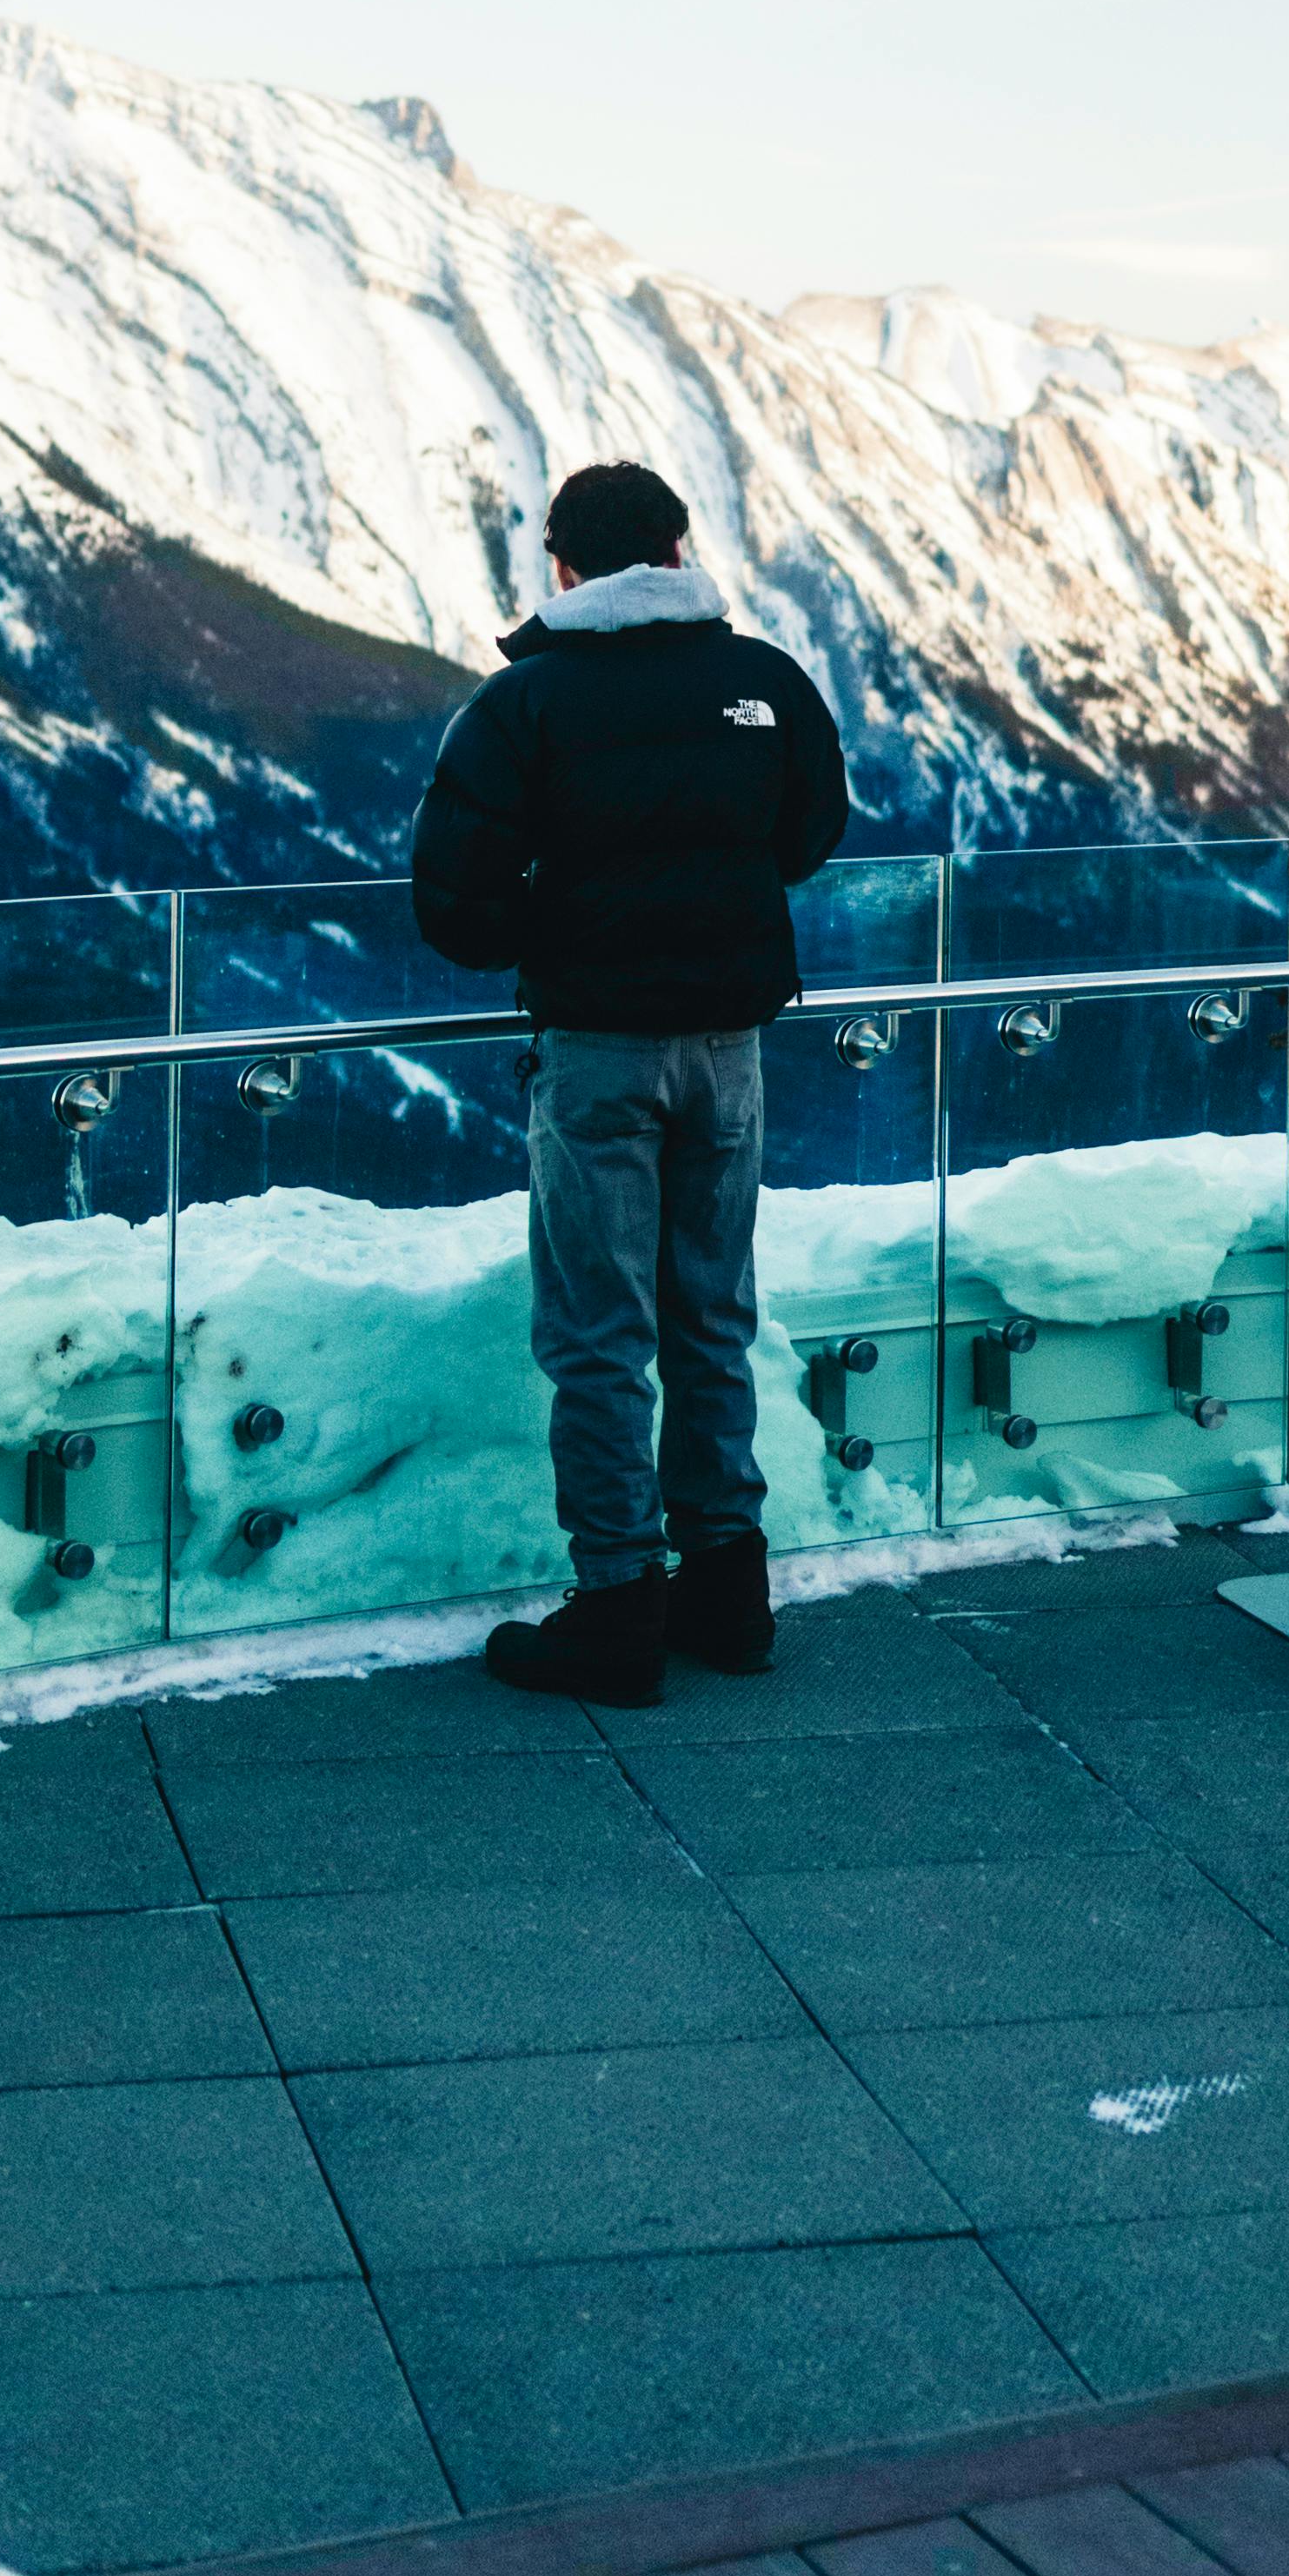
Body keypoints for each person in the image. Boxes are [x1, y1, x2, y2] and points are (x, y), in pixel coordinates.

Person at [409, 458, 849, 1703]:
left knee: (600, 1333)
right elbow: (813, 831)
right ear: (675, 550)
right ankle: (729, 1589)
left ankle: (615, 1607)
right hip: (730, 1047)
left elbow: (452, 901)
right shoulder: (763, 679)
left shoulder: (524, 704)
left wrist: (556, 915)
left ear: (562, 565)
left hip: (600, 1050)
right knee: (712, 1314)